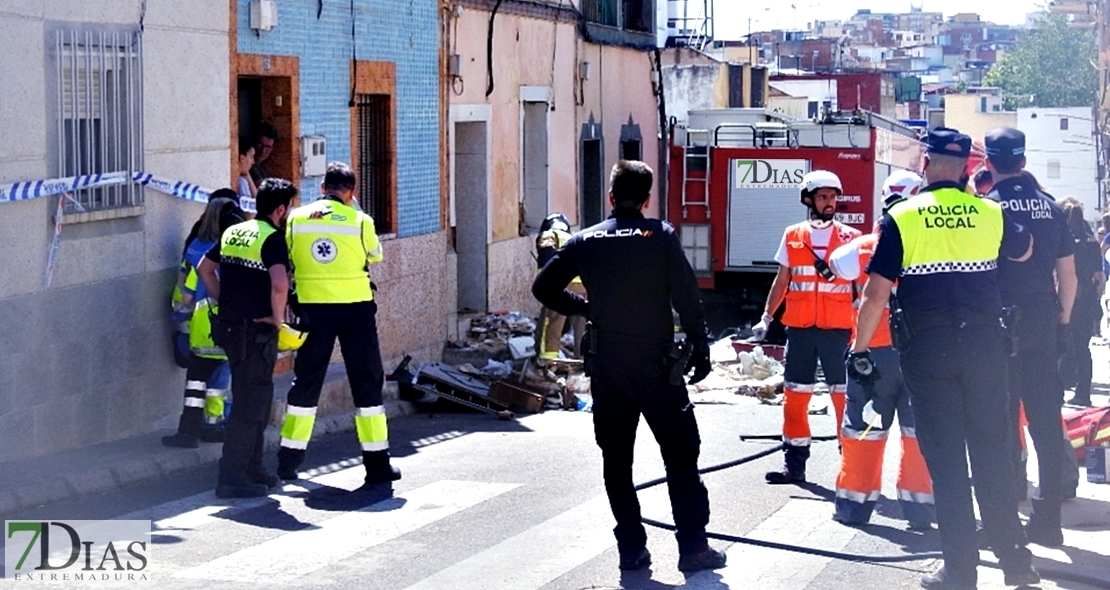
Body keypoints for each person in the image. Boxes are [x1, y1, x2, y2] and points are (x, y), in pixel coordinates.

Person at [850, 127, 1038, 589]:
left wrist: (857, 349)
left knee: (948, 464)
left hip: (929, 353)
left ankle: (960, 572)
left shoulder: (902, 217)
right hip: (986, 349)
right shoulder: (990, 212)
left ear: (926, 164)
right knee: (993, 455)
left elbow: (875, 296)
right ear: (969, 168)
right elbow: (1025, 249)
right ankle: (1016, 564)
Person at [532, 160, 726, 573]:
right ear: (647, 198)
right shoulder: (660, 236)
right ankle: (693, 549)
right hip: (656, 366)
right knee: (680, 455)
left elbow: (543, 286)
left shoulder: (585, 241)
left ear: (611, 197)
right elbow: (687, 296)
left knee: (617, 461)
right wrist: (700, 346)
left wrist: (583, 306)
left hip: (608, 367)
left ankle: (631, 550)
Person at [276, 162, 401, 485]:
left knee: (306, 382)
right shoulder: (360, 220)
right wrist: (355, 214)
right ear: (351, 192)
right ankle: (377, 466)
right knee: (367, 383)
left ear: (322, 188)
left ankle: (288, 462)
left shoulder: (297, 218)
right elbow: (375, 256)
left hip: (313, 311)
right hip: (355, 311)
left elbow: (289, 256)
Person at [984, 127, 1077, 547]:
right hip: (1042, 321)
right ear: (1023, 162)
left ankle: (1003, 521)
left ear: (989, 163)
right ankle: (1049, 521)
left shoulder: (986, 208)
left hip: (999, 326)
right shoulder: (1050, 207)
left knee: (999, 426)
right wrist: (1063, 322)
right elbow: (1068, 276)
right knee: (1045, 421)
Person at [828, 170, 934, 530]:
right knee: (919, 432)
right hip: (921, 354)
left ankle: (854, 506)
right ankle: (921, 508)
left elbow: (836, 266)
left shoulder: (861, 248)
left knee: (864, 430)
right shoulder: (933, 242)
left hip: (871, 355)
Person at [752, 170, 861, 484]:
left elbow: (862, 285)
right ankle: (795, 466)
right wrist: (766, 317)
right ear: (808, 199)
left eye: (834, 197)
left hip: (838, 330)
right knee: (796, 396)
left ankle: (852, 469)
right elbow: (782, 280)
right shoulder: (793, 235)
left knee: (844, 397)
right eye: (824, 197)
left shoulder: (851, 238)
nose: (831, 203)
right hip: (799, 328)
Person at [198, 178, 297, 498]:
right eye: (288, 208)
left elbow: (204, 268)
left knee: (257, 400)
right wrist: (278, 319)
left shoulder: (234, 231)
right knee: (249, 405)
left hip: (231, 328)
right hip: (255, 332)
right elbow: (280, 285)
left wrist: (223, 300)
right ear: (280, 209)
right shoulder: (271, 238)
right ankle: (231, 478)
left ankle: (253, 468)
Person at [162, 194, 240, 449]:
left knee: (195, 384)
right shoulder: (235, 249)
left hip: (200, 328)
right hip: (229, 326)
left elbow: (186, 294)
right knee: (219, 382)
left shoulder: (196, 248)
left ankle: (188, 433)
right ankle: (213, 425)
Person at [1058, 197, 1102, 406]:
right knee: (1083, 346)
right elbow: (1099, 277)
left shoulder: (1064, 238)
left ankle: (1062, 385)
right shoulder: (1091, 241)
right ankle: (1084, 391)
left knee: (1062, 341)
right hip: (1086, 297)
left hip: (1067, 295)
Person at [535, 212, 586, 358]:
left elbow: (545, 261)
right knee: (581, 327)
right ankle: (582, 360)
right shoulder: (575, 237)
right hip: (583, 286)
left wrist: (544, 283)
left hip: (561, 285)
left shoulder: (548, 235)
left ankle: (547, 362)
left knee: (552, 323)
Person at [237, 137, 258, 213]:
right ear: (242, 158)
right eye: (251, 157)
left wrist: (248, 176)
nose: (253, 162)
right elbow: (251, 212)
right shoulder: (241, 182)